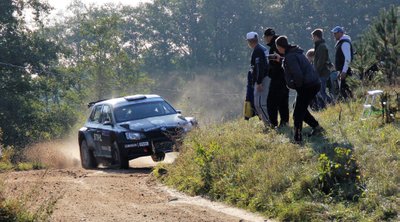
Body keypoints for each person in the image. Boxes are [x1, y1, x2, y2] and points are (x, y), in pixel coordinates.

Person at [275, 36, 323, 143]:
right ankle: (317, 128)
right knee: (298, 108)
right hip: (312, 83)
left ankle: (297, 139)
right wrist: (282, 60)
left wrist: (296, 86)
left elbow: (297, 74)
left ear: (279, 47)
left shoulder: (290, 57)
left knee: (297, 114)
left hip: (307, 86)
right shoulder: (294, 52)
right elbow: (294, 64)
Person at [263, 28, 289, 127]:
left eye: (265, 37)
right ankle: (284, 122)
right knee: (283, 101)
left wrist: (269, 71)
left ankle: (273, 123)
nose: (265, 39)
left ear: (269, 37)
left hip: (277, 77)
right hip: (286, 78)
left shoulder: (275, 47)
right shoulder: (282, 44)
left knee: (271, 102)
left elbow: (275, 64)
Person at [246, 31, 271, 127]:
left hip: (262, 79)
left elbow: (260, 67)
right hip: (264, 78)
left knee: (260, 104)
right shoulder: (262, 48)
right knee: (259, 103)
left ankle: (269, 125)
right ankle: (267, 123)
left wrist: (259, 82)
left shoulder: (257, 51)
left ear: (249, 41)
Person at [331, 26, 353, 99]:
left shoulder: (344, 43)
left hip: (346, 70)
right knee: (344, 89)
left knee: (344, 89)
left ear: (341, 33)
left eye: (336, 33)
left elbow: (347, 58)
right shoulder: (341, 43)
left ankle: (351, 103)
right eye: (334, 33)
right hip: (343, 70)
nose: (334, 35)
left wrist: (344, 71)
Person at [312, 28, 332, 106]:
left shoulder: (321, 47)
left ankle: (331, 104)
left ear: (316, 37)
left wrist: (316, 72)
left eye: (313, 37)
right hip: (321, 73)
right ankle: (325, 106)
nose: (312, 39)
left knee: (321, 92)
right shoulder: (319, 46)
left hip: (322, 73)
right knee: (320, 92)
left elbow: (321, 61)